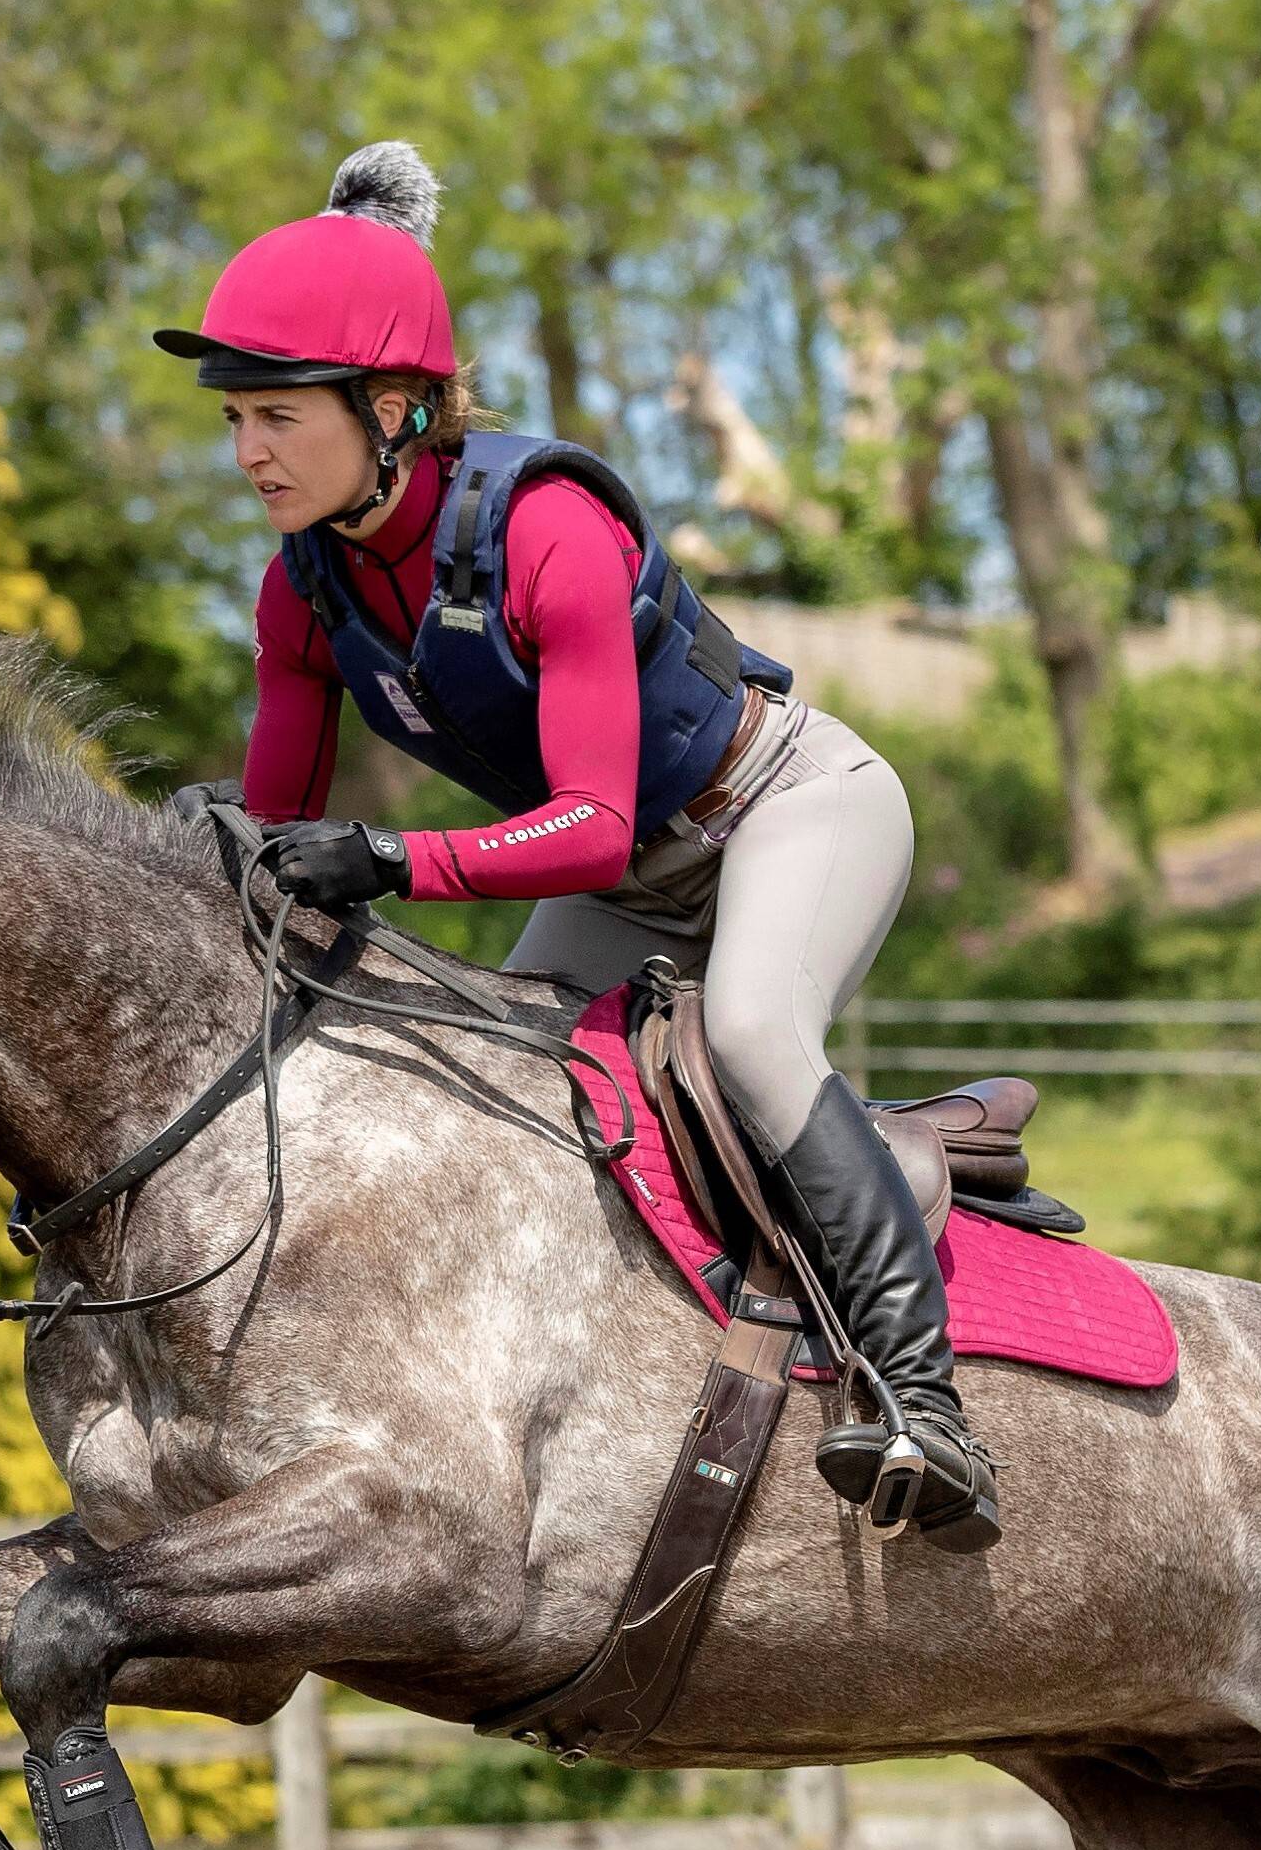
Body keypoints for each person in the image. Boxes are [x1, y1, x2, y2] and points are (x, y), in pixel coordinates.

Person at [155, 142, 998, 1552]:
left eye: (277, 418)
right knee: (510, 1085)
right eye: (235, 419)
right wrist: (205, 857)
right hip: (620, 875)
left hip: (783, 809)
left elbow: (586, 821)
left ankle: (923, 1403)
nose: (247, 455)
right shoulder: (300, 591)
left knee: (751, 1035)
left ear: (394, 408)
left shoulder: (545, 529)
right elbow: (281, 841)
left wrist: (389, 861)